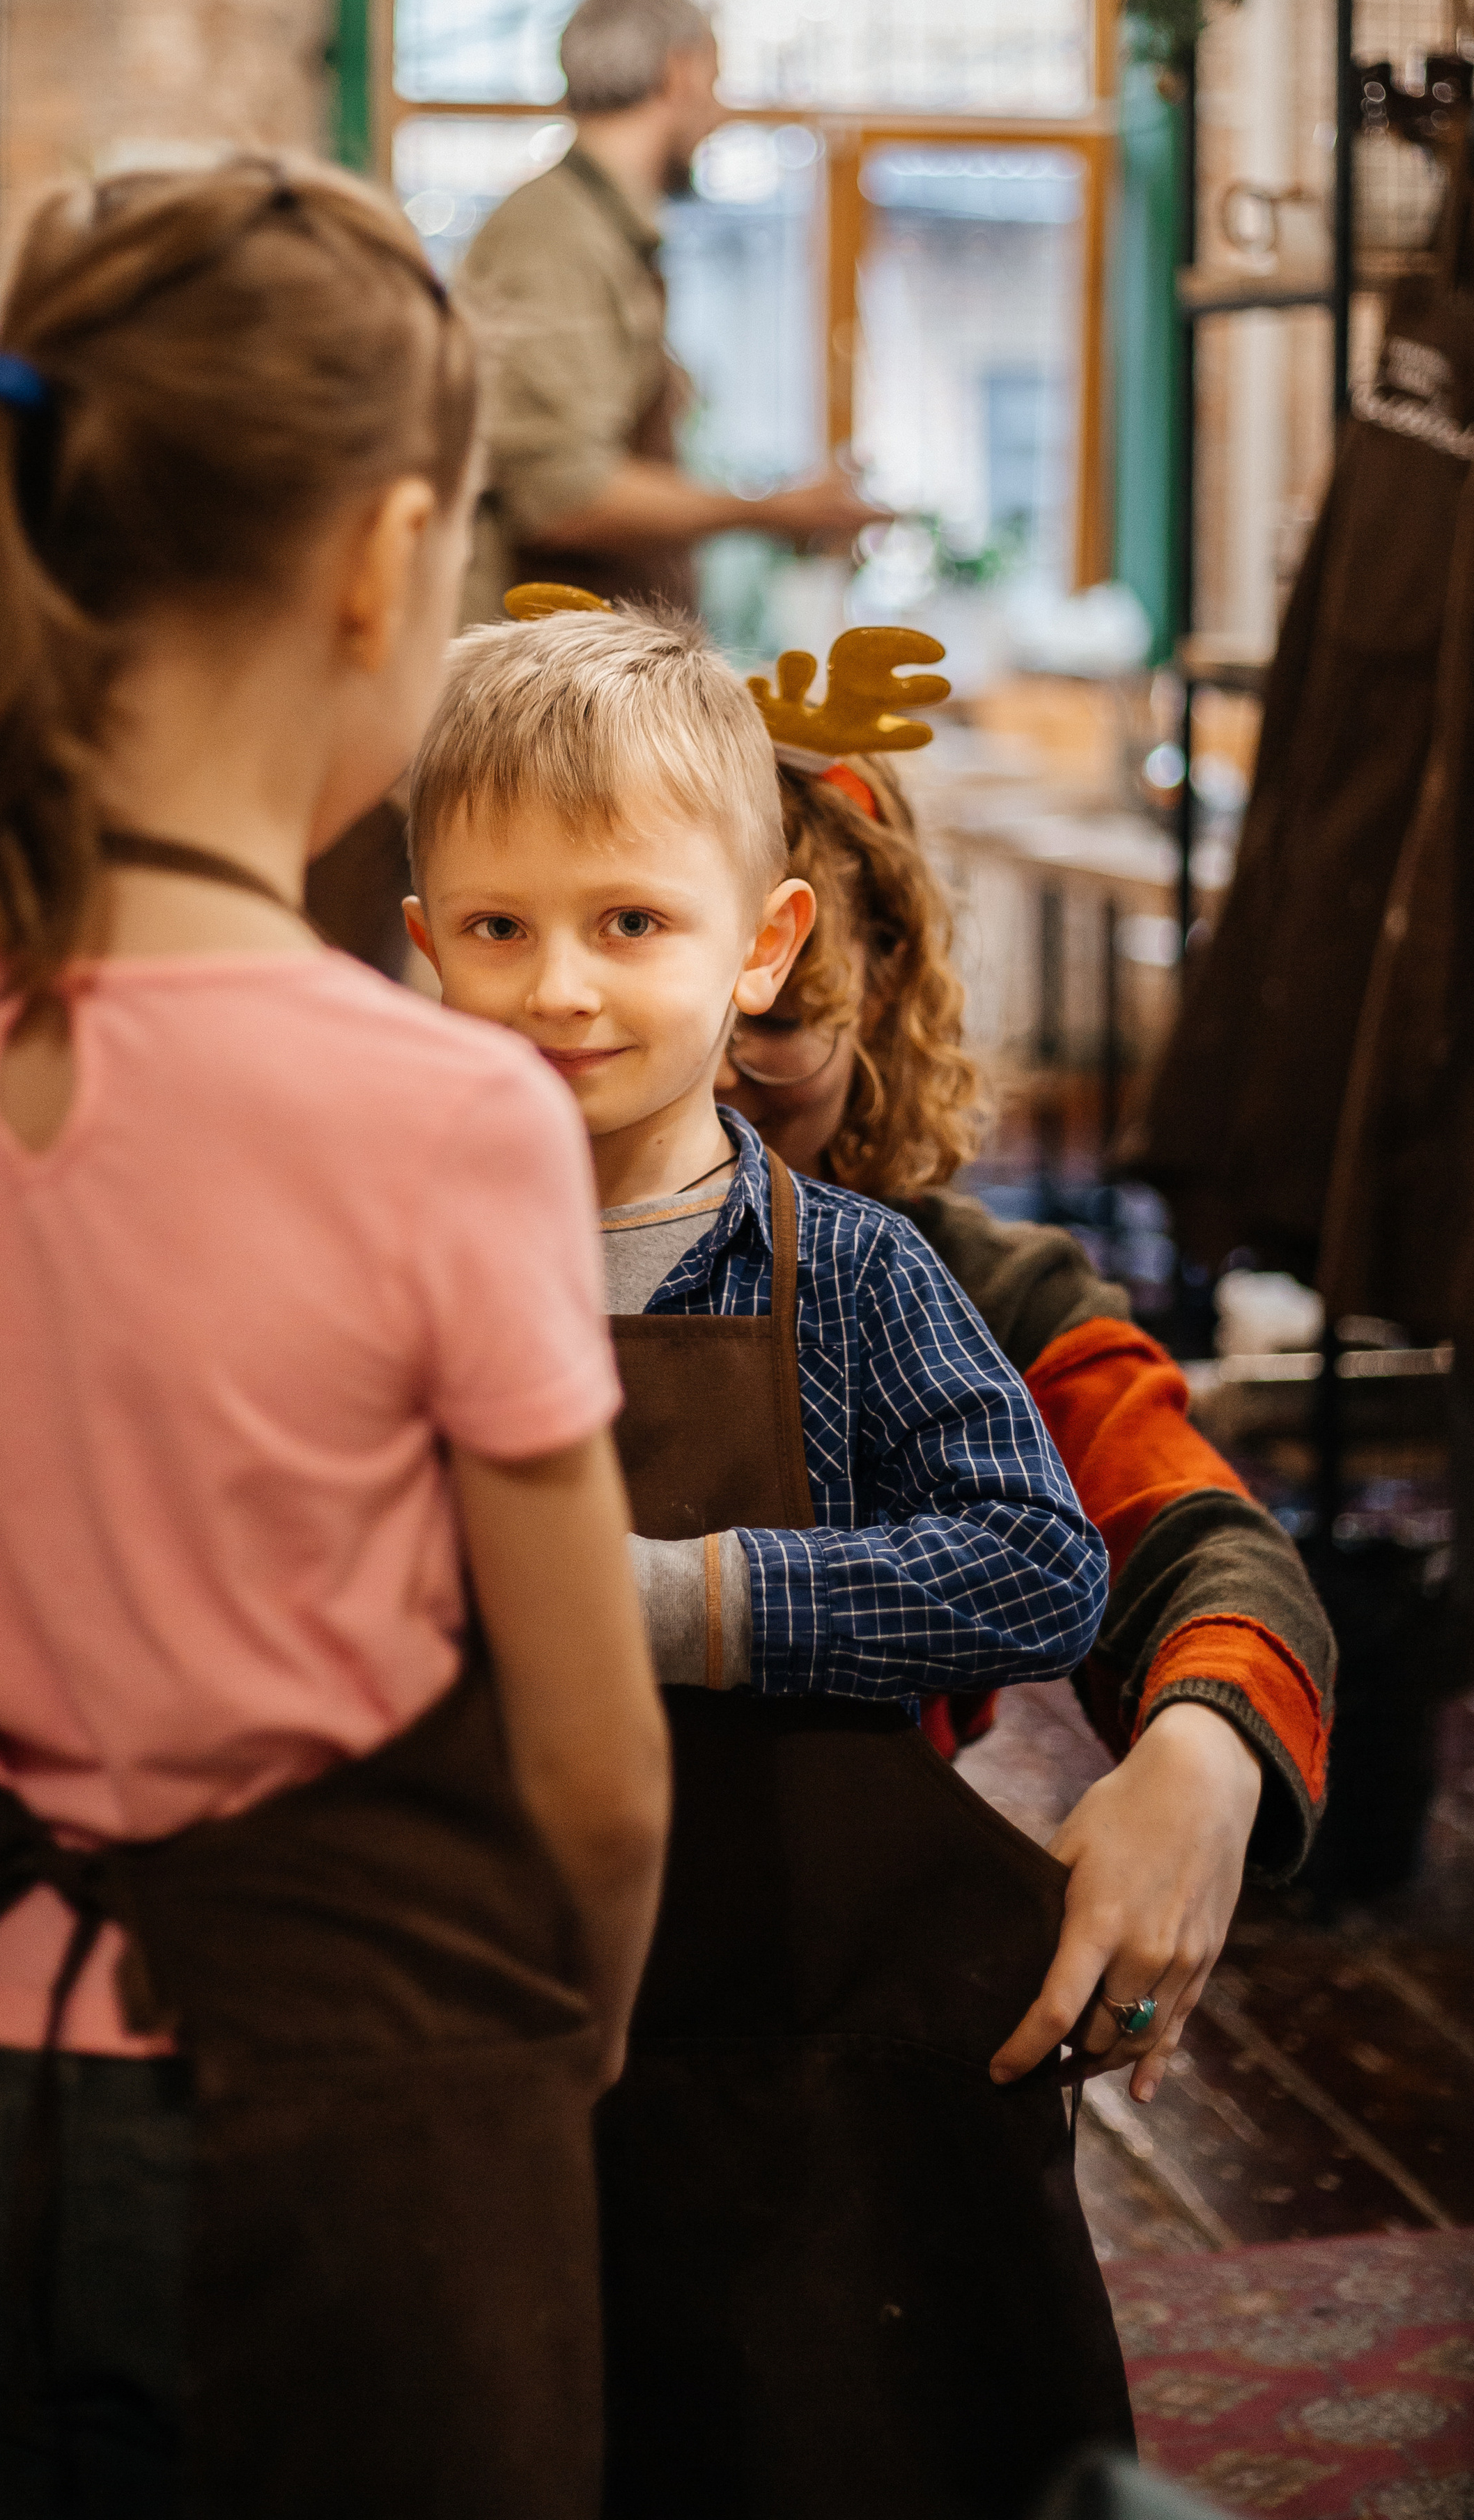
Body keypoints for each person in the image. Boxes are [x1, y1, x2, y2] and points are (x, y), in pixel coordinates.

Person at [0, 162, 669, 2520]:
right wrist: (562, 2057)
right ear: (388, 560)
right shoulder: (444, 1112)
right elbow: (596, 1776)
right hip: (329, 2101)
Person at [401, 602, 1132, 2519]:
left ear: (762, 943)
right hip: (459, 2027)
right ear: (420, 947)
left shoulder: (857, 1276)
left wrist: (668, 1603)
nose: (560, 985)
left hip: (802, 2069)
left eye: (631, 921)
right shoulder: (378, 1267)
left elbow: (1037, 1567)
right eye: (498, 926)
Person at [716, 738, 1337, 2104]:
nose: (700, 1073)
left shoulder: (977, 1289)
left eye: (775, 1012)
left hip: (841, 1989)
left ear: (878, 983)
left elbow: (1202, 1545)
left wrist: (1202, 1758)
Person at [456, 0, 875, 622]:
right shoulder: (555, 239)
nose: (721, 113)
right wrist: (767, 511)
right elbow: (563, 497)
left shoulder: (600, 229)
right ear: (681, 73)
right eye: (716, 81)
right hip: (538, 658)